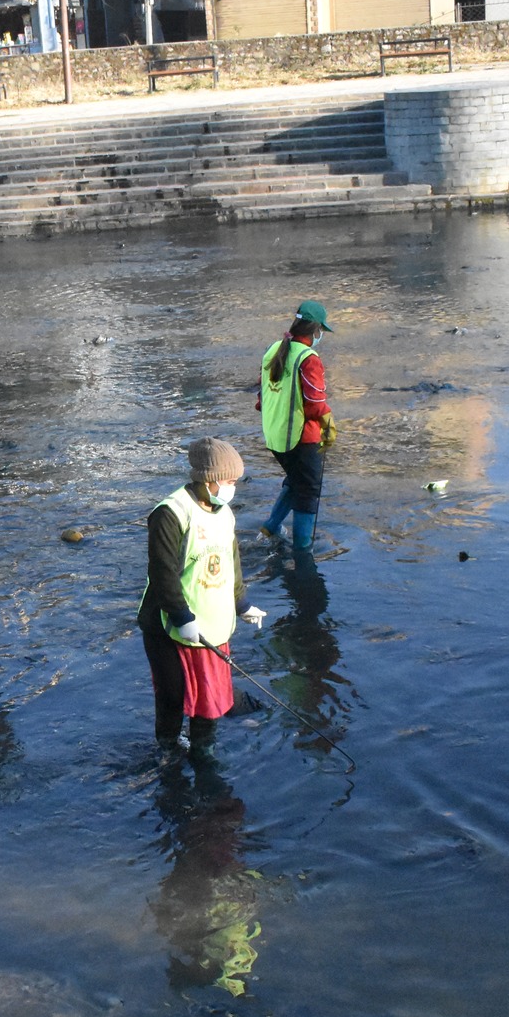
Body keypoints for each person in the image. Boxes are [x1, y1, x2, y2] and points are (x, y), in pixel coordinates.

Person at [139, 439, 268, 753]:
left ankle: (203, 750)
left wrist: (242, 603)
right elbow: (163, 572)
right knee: (172, 694)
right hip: (167, 625)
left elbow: (230, 562)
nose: (232, 489)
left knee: (209, 697)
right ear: (207, 480)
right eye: (228, 482)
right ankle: (168, 750)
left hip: (212, 625)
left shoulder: (224, 513)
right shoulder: (170, 513)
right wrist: (182, 617)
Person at [256, 300, 335, 550]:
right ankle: (303, 550)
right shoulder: (308, 358)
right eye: (321, 331)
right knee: (308, 492)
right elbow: (314, 403)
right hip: (302, 438)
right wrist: (329, 424)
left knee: (296, 479)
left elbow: (262, 397)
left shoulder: (273, 349)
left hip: (275, 436)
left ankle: (271, 527)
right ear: (316, 330)